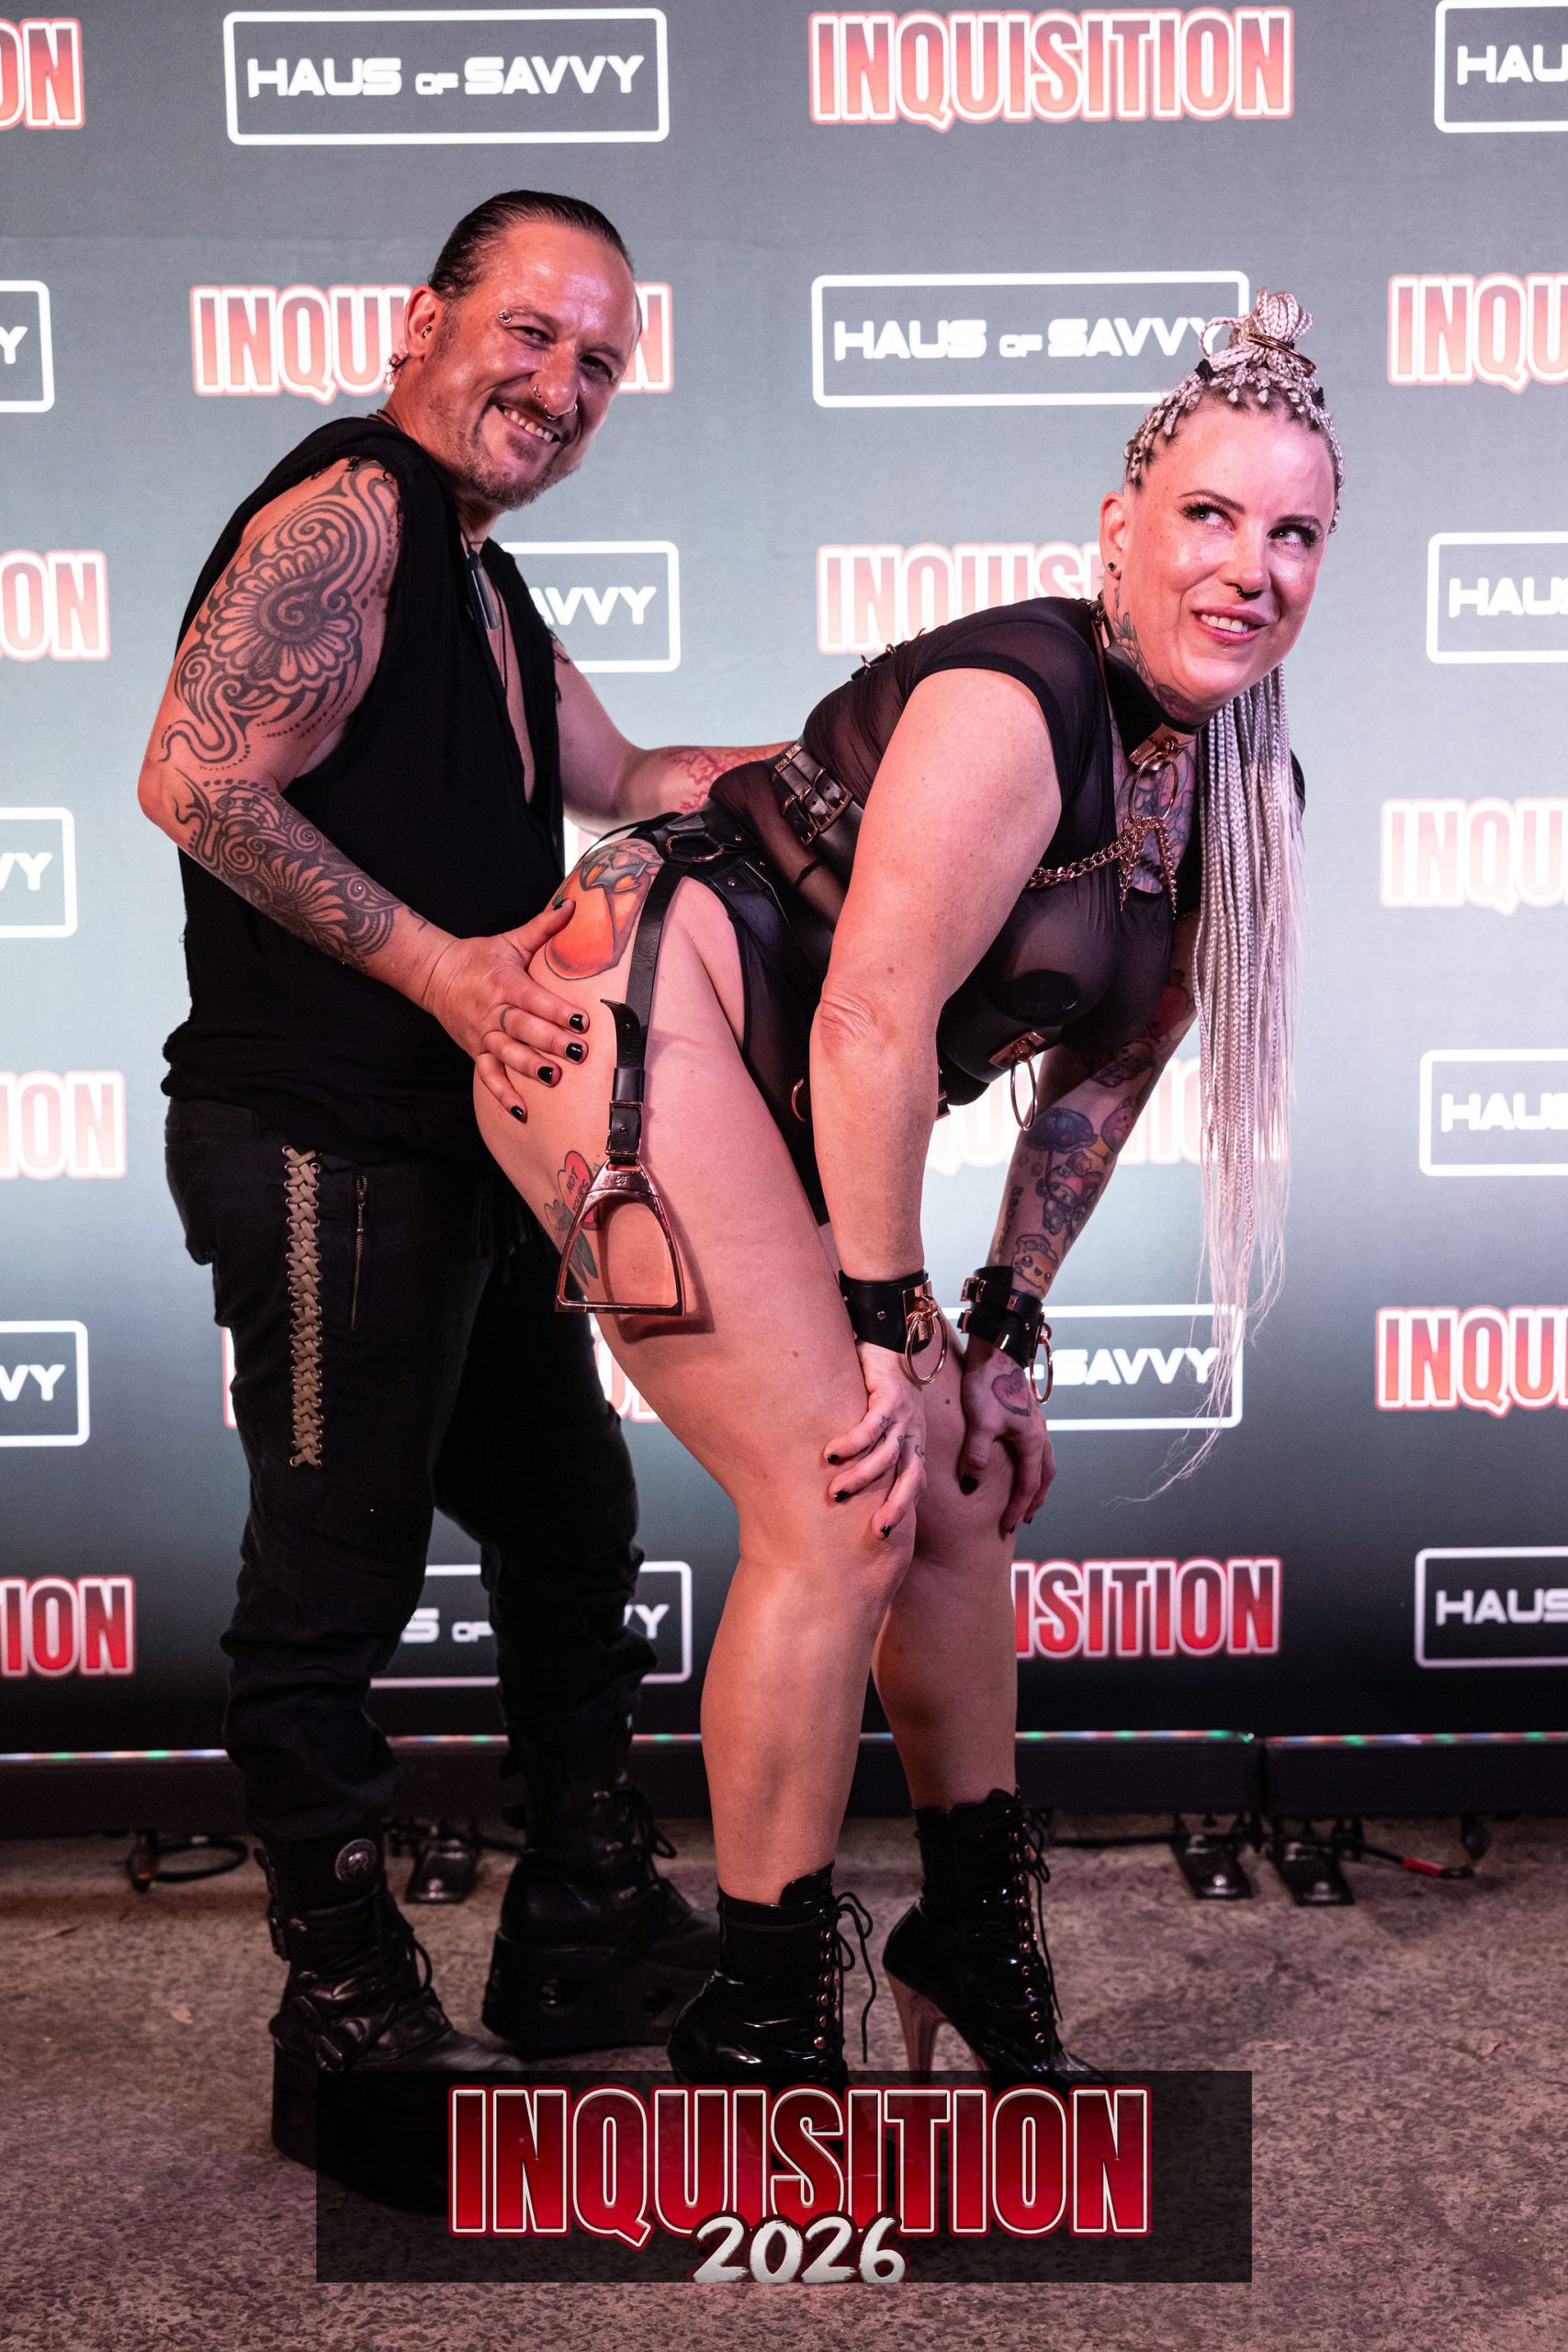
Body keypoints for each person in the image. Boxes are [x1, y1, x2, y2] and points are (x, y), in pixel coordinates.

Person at [476, 291, 1343, 2086]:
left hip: (775, 1081)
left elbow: (1097, 1089)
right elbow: (871, 1018)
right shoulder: (1017, 700)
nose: (1248, 566)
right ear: (1120, 527)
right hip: (615, 1008)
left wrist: (999, 1334)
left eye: (1291, 533)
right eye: (1207, 514)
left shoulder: (1239, 800)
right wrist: (889, 1331)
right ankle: (765, 2017)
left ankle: (974, 1934)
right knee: (845, 1492)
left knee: (950, 1479)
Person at [135, 190, 783, 2174]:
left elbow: (633, 779)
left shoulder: (482, 576)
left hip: (465, 1143)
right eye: (531, 332)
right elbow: (192, 779)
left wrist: (881, 764)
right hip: (320, 1135)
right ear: (423, 320)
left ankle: (582, 1918)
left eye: (599, 361)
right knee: (330, 1576)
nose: (562, 384)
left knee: (571, 1521)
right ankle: (340, 2013)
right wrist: (438, 967)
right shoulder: (350, 511)